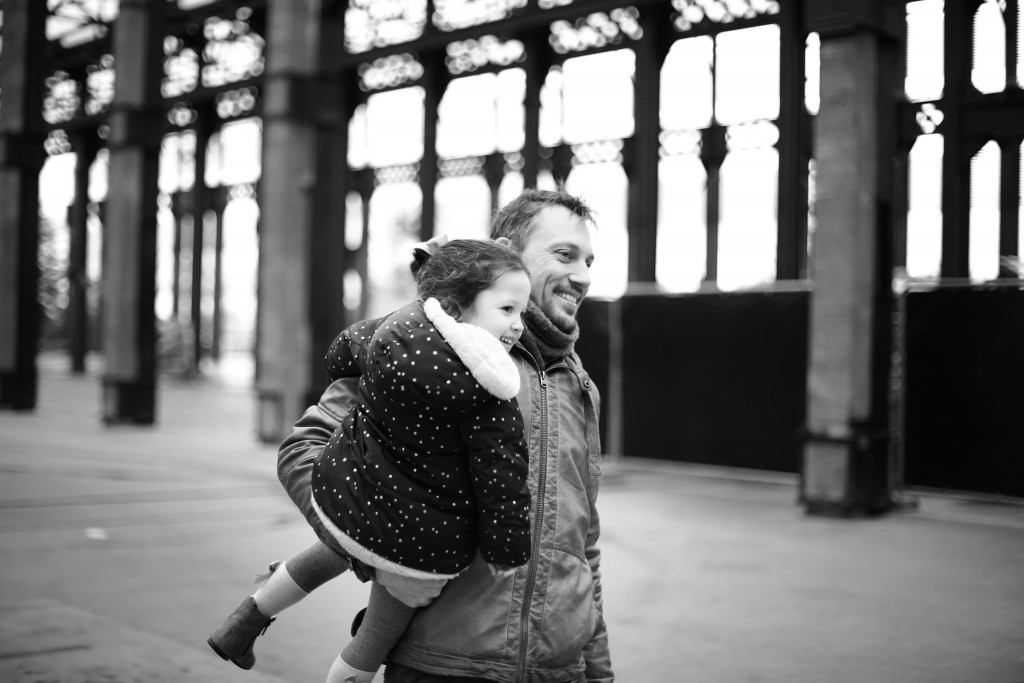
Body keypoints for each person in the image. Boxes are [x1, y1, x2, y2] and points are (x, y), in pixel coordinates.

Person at [278, 188, 613, 683]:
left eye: (588, 260)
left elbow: (584, 548)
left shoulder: (578, 385)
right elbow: (304, 450)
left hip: (558, 671)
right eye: (564, 255)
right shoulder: (425, 341)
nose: (582, 275)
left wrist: (598, 673)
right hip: (440, 666)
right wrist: (378, 555)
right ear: (508, 251)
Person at [209, 239, 535, 683]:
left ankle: (243, 622)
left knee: (330, 552)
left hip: (353, 501)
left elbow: (344, 349)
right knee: (376, 637)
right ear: (458, 308)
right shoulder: (492, 394)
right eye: (508, 310)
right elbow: (503, 480)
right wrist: (506, 553)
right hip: (420, 538)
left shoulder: (392, 329)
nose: (519, 325)